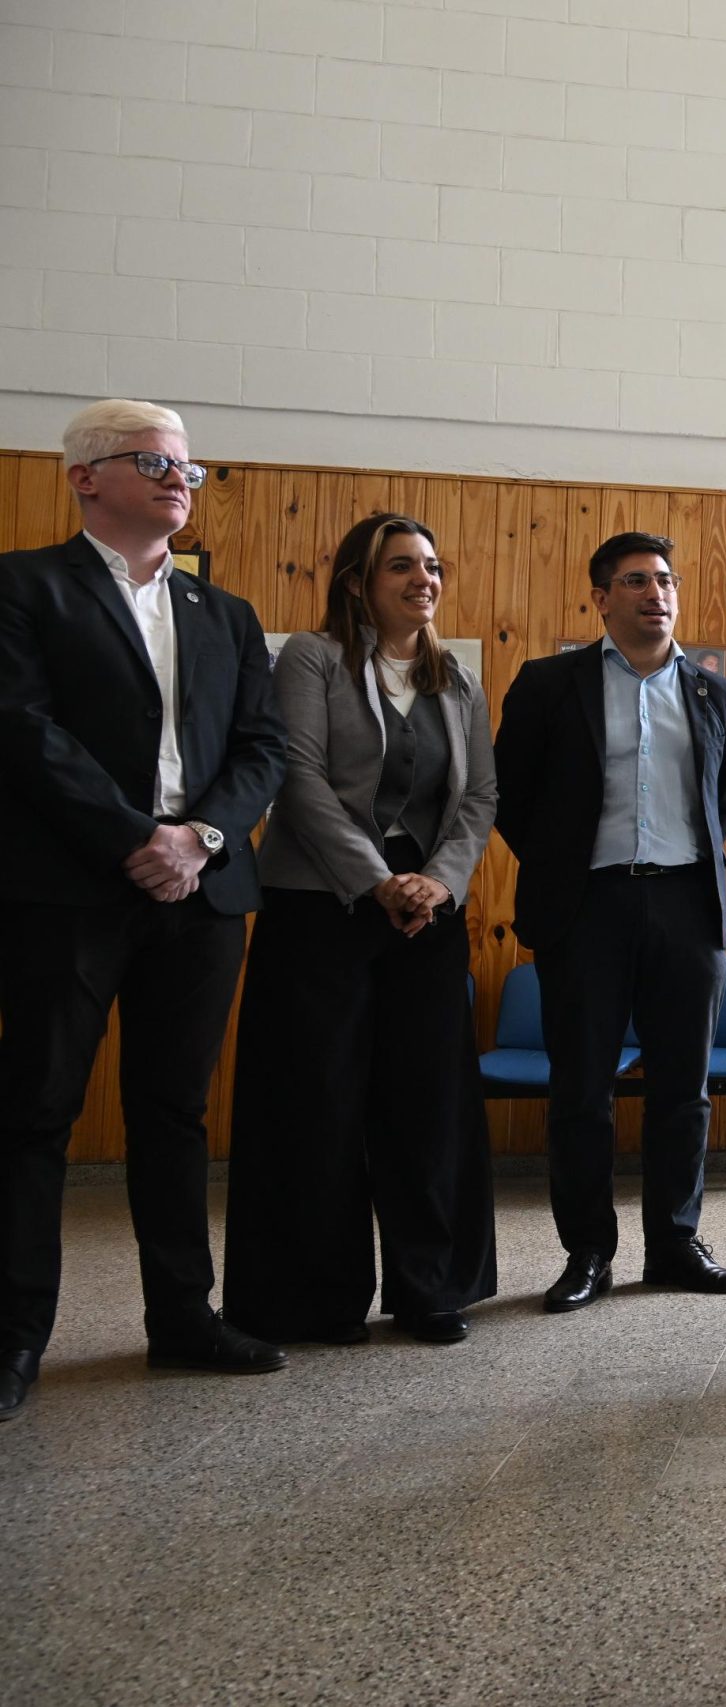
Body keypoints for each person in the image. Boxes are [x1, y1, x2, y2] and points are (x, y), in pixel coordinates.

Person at [0, 399, 289, 1420]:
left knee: (174, 1113)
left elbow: (262, 749)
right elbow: (22, 729)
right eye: (155, 462)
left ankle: (182, 1319)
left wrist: (197, 839)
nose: (180, 480)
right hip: (70, 888)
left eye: (188, 467)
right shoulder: (23, 586)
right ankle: (16, 1337)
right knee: (37, 1111)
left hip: (201, 892)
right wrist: (135, 838)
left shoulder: (226, 613)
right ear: (84, 477)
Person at [223, 514, 499, 1346]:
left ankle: (431, 1287)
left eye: (432, 565)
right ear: (357, 581)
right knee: (315, 1100)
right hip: (320, 905)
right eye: (401, 566)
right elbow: (299, 778)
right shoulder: (313, 658)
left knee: (428, 1101)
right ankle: (315, 1297)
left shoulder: (458, 681)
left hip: (427, 913)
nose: (424, 579)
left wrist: (438, 882)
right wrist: (376, 880)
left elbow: (479, 798)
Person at [494, 531, 726, 1312]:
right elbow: (512, 797)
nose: (656, 593)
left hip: (685, 904)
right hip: (585, 906)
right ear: (602, 598)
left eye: (665, 580)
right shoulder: (549, 684)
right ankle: (588, 1253)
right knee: (581, 1090)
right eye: (636, 580)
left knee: (684, 1087)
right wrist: (564, 867)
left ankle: (674, 1242)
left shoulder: (712, 692)